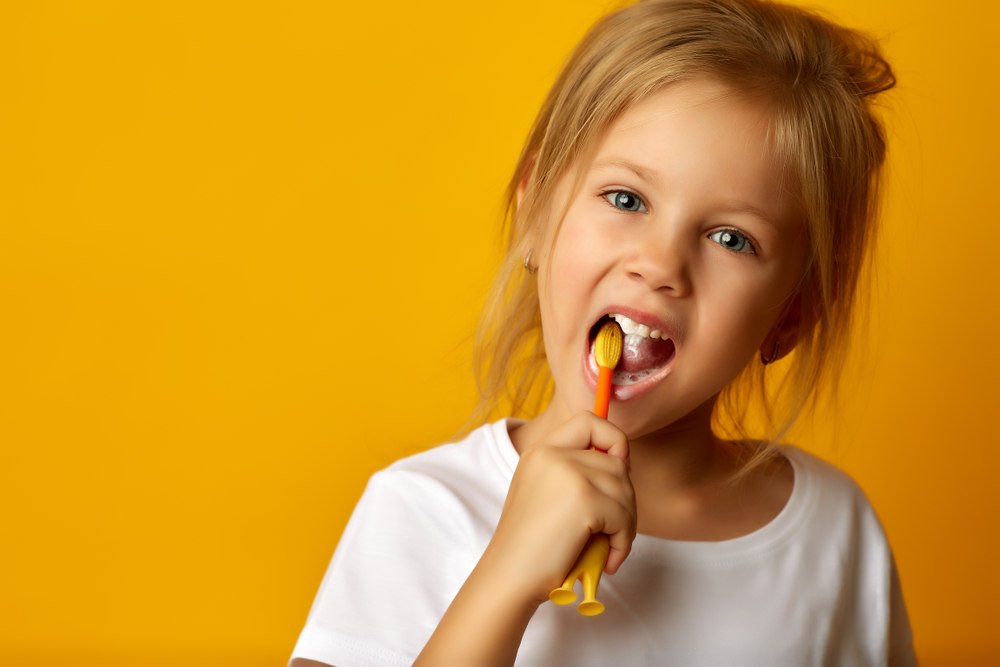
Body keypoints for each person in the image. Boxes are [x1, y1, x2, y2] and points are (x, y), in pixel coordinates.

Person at [290, 0, 916, 664]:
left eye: (731, 238)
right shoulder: (423, 512)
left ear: (790, 313)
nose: (659, 264)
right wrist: (504, 578)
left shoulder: (833, 531)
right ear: (534, 212)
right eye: (626, 199)